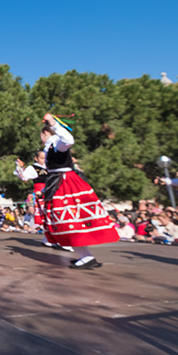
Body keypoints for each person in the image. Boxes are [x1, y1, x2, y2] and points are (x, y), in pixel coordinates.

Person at [40, 114, 119, 268]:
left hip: (66, 184)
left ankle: (86, 257)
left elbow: (69, 140)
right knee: (69, 222)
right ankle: (85, 256)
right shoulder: (50, 146)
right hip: (59, 183)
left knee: (71, 221)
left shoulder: (56, 142)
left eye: (41, 134)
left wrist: (54, 123)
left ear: (46, 133)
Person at [14, 150, 74, 252]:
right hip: (42, 194)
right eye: (42, 158)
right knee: (53, 216)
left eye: (45, 158)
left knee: (52, 216)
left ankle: (48, 239)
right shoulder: (33, 168)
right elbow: (23, 177)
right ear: (36, 158)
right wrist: (19, 168)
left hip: (54, 192)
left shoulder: (50, 166)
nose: (44, 160)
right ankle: (60, 241)